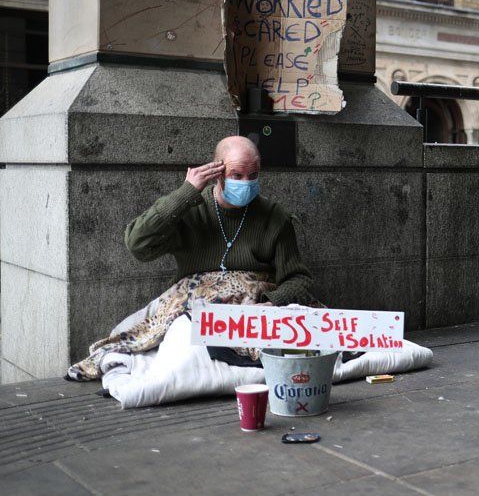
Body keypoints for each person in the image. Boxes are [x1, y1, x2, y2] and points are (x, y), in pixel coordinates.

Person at [67, 136, 315, 381]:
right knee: (149, 342)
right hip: (192, 306)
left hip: (250, 308)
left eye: (253, 175)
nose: (246, 183)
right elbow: (138, 244)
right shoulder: (192, 209)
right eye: (237, 175)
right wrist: (186, 193)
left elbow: (299, 279)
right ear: (218, 173)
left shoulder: (274, 217)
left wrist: (272, 304)